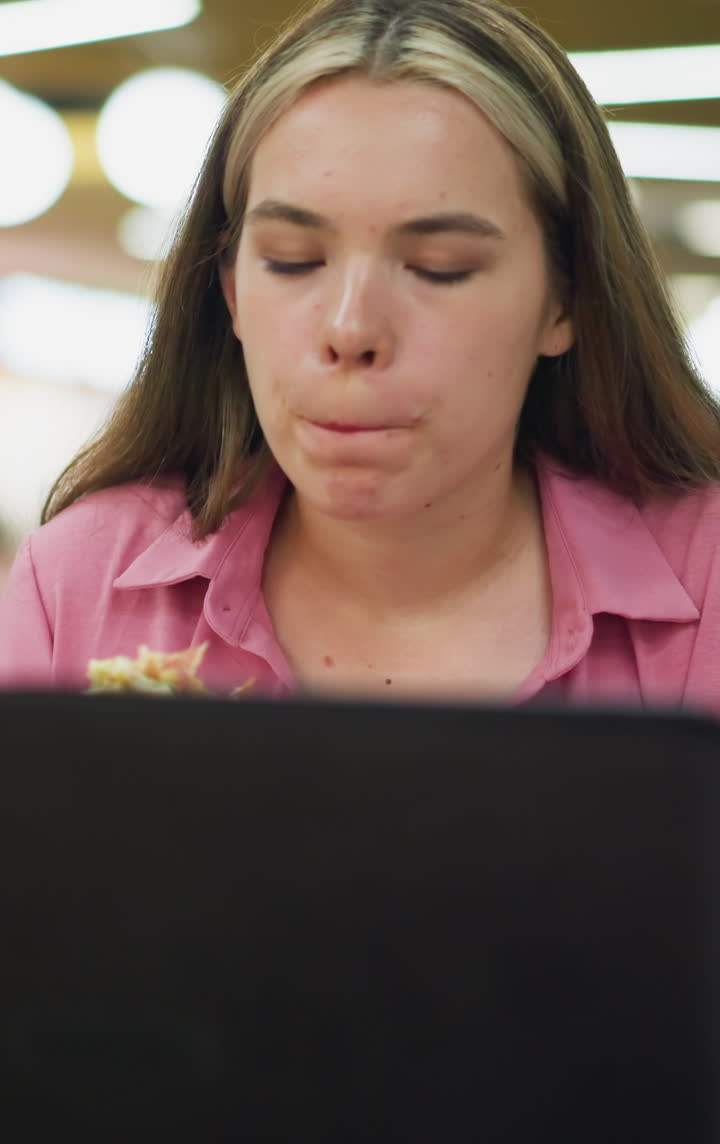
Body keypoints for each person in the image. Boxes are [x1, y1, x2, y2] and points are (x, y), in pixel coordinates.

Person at [0, 0, 719, 708]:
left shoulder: (707, 578)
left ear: (565, 302)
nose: (350, 329)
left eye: (440, 267)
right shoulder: (79, 585)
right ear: (230, 291)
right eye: (292, 260)